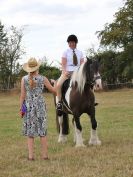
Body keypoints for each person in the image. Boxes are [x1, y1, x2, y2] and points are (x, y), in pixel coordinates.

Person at [20, 57, 56, 161]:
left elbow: (22, 96)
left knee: (30, 132)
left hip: (29, 106)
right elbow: (53, 90)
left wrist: (21, 108)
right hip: (40, 106)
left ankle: (31, 157)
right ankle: (45, 156)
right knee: (42, 131)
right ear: (37, 68)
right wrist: (56, 83)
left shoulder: (24, 79)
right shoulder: (43, 78)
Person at [56, 34, 84, 113]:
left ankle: (91, 101)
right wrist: (65, 72)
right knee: (58, 85)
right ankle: (59, 103)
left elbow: (82, 64)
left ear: (76, 43)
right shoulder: (65, 52)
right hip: (67, 72)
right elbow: (63, 64)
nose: (71, 44)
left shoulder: (80, 53)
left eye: (73, 42)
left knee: (88, 82)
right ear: (68, 43)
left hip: (78, 73)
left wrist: (80, 73)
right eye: (70, 42)